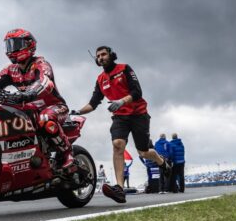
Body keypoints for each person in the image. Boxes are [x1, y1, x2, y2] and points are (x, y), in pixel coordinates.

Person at [71, 46, 171, 203]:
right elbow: (93, 103)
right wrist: (77, 112)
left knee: (144, 152)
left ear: (111, 55)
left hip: (139, 114)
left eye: (104, 54)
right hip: (120, 117)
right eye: (98, 56)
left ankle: (162, 162)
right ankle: (119, 188)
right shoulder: (100, 79)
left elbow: (137, 92)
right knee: (117, 145)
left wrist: (121, 101)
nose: (101, 57)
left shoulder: (124, 68)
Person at [0, 28, 73, 172]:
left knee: (45, 118)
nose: (11, 50)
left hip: (54, 106)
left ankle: (67, 154)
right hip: (29, 109)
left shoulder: (41, 64)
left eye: (15, 44)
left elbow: (45, 82)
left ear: (28, 45)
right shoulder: (10, 70)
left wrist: (27, 94)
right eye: (9, 45)